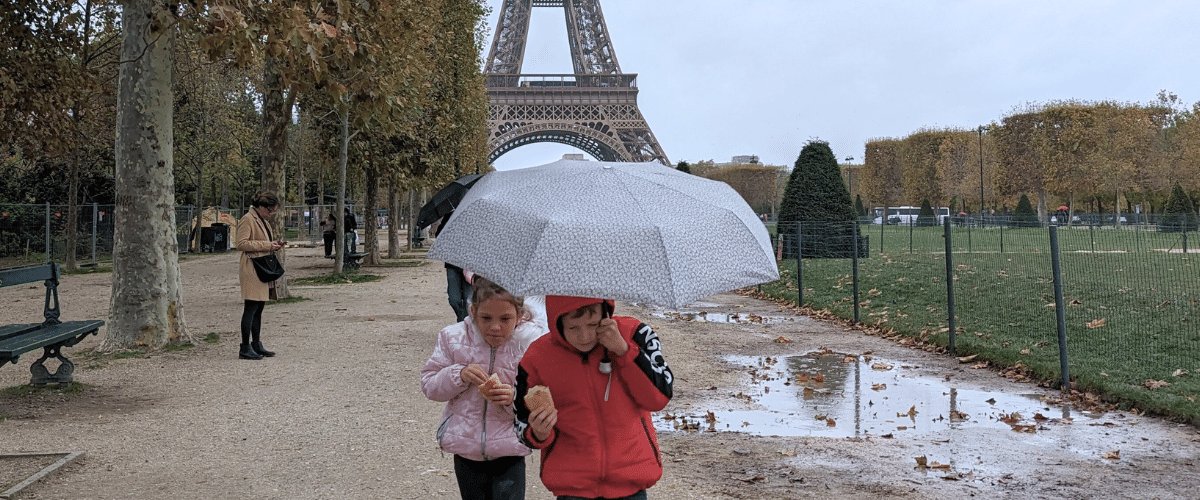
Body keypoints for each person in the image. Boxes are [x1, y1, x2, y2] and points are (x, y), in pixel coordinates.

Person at [514, 296, 674, 500]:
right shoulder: (536, 357)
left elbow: (659, 398)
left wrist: (624, 351)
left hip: (630, 481)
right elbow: (520, 422)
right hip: (572, 487)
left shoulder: (635, 334)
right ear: (556, 322)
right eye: (573, 328)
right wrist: (538, 432)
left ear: (606, 313)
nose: (584, 336)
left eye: (592, 324)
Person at [421, 277, 548, 500]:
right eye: (486, 318)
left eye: (505, 318)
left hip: (510, 448)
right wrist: (458, 374)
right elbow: (430, 386)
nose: (495, 327)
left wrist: (514, 399)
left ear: (520, 315)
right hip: (466, 449)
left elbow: (544, 398)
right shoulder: (453, 338)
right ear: (472, 311)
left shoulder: (532, 345)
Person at [235, 191, 285, 360]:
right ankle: (245, 347)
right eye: (270, 210)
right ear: (261, 206)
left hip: (261, 266)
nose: (271, 214)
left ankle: (256, 343)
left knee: (259, 308)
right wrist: (267, 245)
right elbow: (241, 243)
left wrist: (273, 245)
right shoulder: (248, 219)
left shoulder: (262, 220)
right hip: (252, 267)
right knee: (251, 307)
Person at [434, 214, 472, 322]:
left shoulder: (477, 216)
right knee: (453, 299)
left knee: (468, 299)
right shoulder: (450, 216)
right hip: (452, 264)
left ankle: (464, 326)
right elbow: (438, 235)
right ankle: (463, 321)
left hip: (470, 266)